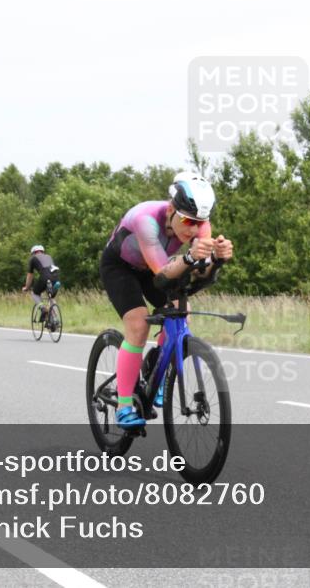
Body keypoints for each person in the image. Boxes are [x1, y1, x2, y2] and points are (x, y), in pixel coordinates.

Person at [99, 171, 233, 429]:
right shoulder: (145, 220)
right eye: (187, 220)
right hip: (120, 267)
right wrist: (190, 258)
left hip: (154, 267)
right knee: (139, 324)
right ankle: (124, 405)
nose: (193, 228)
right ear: (171, 209)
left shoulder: (200, 225)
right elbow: (162, 275)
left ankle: (156, 371)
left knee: (182, 311)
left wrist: (217, 260)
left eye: (199, 222)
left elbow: (200, 273)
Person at [22, 245, 61, 322]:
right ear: (43, 251)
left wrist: (26, 287)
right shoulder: (49, 256)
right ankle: (56, 319)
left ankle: (43, 309)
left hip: (45, 277)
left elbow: (30, 275)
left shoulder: (33, 258)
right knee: (51, 297)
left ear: (33, 253)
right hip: (55, 277)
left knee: (35, 293)